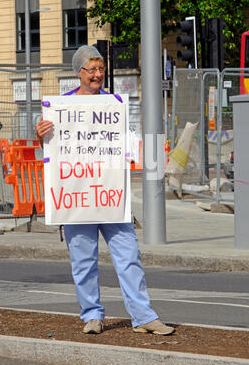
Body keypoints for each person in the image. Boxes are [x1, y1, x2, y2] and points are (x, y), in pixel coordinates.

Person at [36, 45, 174, 336]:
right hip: (77, 198)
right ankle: (92, 315)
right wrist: (41, 137)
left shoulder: (114, 105)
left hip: (111, 196)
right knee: (83, 261)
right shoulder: (61, 108)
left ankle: (144, 316)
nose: (98, 74)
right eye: (92, 69)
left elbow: (125, 145)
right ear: (79, 73)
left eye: (100, 69)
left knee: (129, 256)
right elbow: (52, 152)